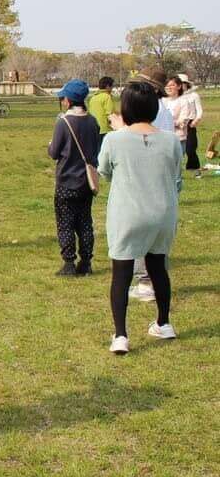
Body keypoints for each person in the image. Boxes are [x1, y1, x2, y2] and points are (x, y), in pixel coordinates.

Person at [99, 83, 182, 355]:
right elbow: (177, 180)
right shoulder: (170, 140)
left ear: (125, 108)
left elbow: (105, 172)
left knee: (121, 274)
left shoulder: (114, 139)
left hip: (128, 213)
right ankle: (163, 322)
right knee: (158, 267)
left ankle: (121, 334)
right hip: (163, 212)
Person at [47, 79, 100, 276]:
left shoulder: (64, 122)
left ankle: (69, 262)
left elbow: (54, 152)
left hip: (66, 181)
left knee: (65, 222)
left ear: (68, 101)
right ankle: (86, 262)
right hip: (87, 181)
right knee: (85, 221)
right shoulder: (93, 121)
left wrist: (50, 144)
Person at [177, 74, 204, 179]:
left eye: (182, 83)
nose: (180, 86)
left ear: (186, 84)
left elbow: (199, 110)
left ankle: (196, 170)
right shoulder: (175, 97)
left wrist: (196, 120)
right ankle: (176, 172)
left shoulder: (194, 95)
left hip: (190, 124)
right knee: (178, 150)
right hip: (179, 124)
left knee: (190, 149)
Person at [87, 76, 116, 143]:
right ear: (108, 86)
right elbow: (110, 114)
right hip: (105, 129)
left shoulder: (93, 97)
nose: (112, 89)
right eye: (112, 87)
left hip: (93, 128)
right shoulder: (107, 97)